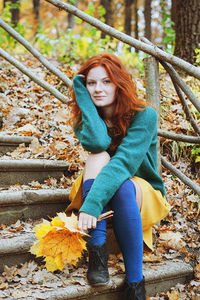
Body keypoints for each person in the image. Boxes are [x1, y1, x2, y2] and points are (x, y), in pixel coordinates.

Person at [66, 53, 171, 300]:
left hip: (138, 192)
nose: (98, 89)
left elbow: (123, 164)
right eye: (91, 83)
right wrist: (81, 93)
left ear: (119, 83)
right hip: (97, 184)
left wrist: (91, 205)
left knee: (122, 184)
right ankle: (97, 251)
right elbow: (98, 142)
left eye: (106, 82)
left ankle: (135, 283)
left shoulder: (144, 115)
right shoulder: (87, 119)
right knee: (98, 155)